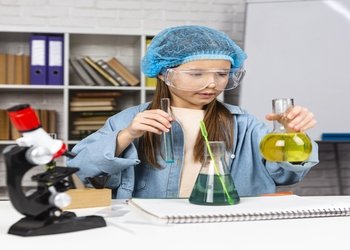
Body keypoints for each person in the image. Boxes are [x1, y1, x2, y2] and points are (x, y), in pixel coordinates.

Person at [67, 25, 318, 199]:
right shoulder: (128, 120)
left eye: (222, 74)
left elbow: (286, 176)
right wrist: (127, 135)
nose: (212, 84)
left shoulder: (244, 124)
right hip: (152, 228)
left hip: (228, 226)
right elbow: (79, 169)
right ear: (165, 73)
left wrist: (291, 135)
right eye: (197, 73)